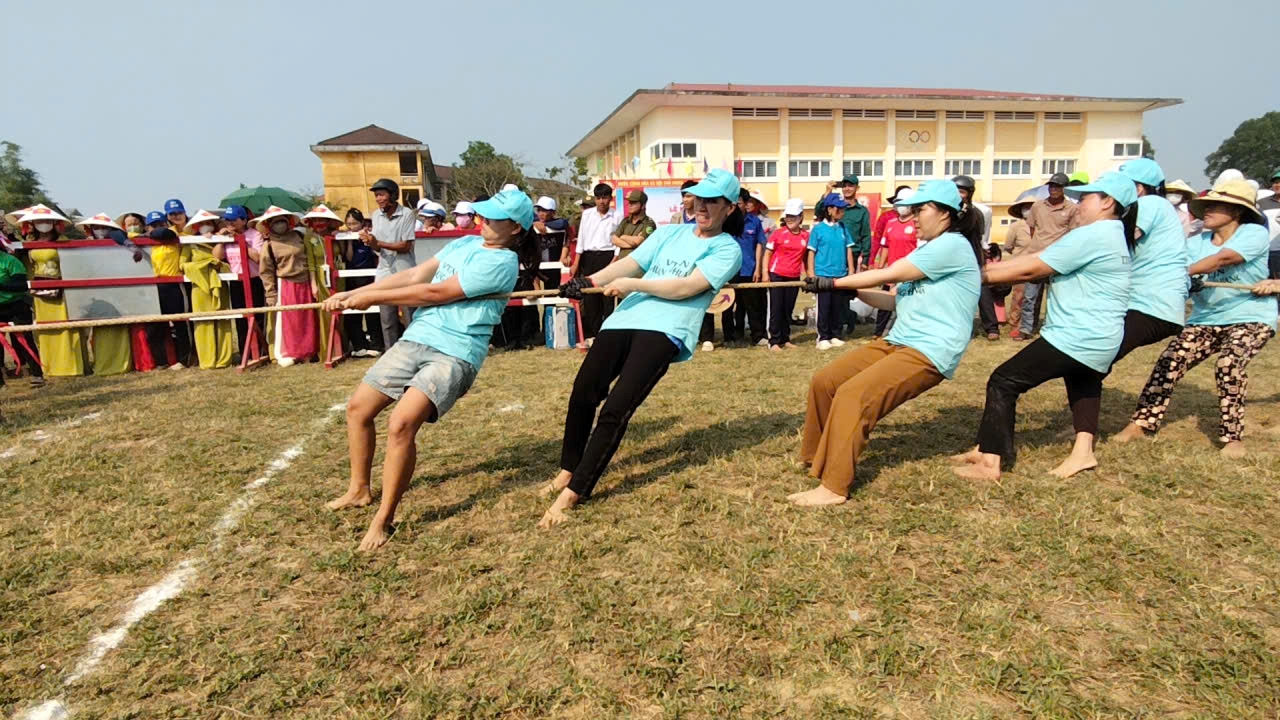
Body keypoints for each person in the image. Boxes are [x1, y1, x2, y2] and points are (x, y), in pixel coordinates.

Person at [323, 190, 533, 551]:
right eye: (483, 215)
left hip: (455, 352)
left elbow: (436, 293)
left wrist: (372, 299)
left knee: (401, 424)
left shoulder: (503, 263)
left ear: (515, 227)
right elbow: (416, 275)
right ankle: (359, 490)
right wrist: (357, 293)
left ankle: (383, 519)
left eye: (494, 218)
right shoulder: (464, 244)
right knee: (359, 408)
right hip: (417, 338)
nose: (483, 222)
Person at [540, 169, 745, 527]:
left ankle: (576, 491)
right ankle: (567, 470)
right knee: (583, 392)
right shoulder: (669, 233)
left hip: (666, 330)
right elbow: (630, 263)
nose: (703, 206)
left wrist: (635, 285)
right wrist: (587, 281)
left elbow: (687, 288)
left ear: (729, 208)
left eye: (713, 201)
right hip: (624, 321)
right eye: (699, 198)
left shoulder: (727, 249)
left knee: (616, 409)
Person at [788, 180, 982, 506]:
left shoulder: (953, 246)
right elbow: (892, 301)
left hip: (929, 351)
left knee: (854, 395)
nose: (913, 216)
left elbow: (887, 272)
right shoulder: (929, 249)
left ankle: (833, 487)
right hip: (898, 340)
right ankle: (815, 457)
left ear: (946, 212)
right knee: (826, 382)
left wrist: (833, 281)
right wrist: (845, 290)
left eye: (921, 209)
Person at [953, 172, 1137, 481]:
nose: (1078, 205)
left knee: (1003, 381)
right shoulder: (1114, 235)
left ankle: (990, 462)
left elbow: (1032, 268)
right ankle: (1083, 453)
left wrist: (970, 276)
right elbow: (1039, 257)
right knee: (1084, 383)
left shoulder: (1092, 235)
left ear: (1108, 203)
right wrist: (982, 269)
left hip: (1076, 335)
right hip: (1103, 336)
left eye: (1087, 198)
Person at [1112, 178, 1276, 456]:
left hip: (1251, 316)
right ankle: (1142, 423)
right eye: (1207, 204)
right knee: (1170, 360)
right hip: (1206, 318)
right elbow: (1177, 270)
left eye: (1216, 205)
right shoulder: (1194, 242)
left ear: (1236, 212)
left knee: (1229, 363)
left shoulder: (1253, 233)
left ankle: (1233, 438)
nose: (1207, 210)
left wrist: (1181, 273)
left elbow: (1222, 260)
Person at [1107, 159, 1191, 366]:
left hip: (1151, 303)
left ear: (1138, 187)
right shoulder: (1155, 207)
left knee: (1096, 356)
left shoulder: (1150, 203)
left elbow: (1120, 241)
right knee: (1093, 360)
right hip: (1146, 301)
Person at [20, 206, 85, 377]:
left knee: (66, 325)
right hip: (40, 291)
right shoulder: (28, 244)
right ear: (32, 223)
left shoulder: (63, 241)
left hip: (62, 289)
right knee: (46, 327)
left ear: (55, 223)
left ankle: (70, 365)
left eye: (47, 221)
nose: (43, 224)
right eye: (39, 221)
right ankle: (51, 366)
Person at [1016, 173, 1081, 339]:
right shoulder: (1038, 206)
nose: (1053, 189)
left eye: (1057, 186)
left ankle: (1052, 327)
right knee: (1030, 296)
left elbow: (1074, 233)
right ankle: (1026, 329)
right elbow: (1032, 228)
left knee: (1055, 297)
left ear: (1064, 189)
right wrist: (1039, 245)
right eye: (1051, 186)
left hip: (1058, 259)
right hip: (1037, 256)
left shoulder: (1071, 209)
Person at [257, 206, 319, 366]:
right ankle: (292, 352)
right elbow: (266, 271)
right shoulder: (269, 245)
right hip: (286, 284)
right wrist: (270, 294)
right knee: (290, 320)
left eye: (282, 221)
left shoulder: (299, 236)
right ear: (270, 225)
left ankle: (309, 351)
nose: (280, 225)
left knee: (307, 318)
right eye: (276, 222)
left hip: (305, 281)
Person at [75, 214, 135, 375]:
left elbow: (120, 239)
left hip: (118, 290)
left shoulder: (118, 241)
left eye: (104, 227)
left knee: (118, 327)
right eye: (96, 227)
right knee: (100, 330)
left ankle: (121, 363)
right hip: (96, 293)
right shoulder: (84, 247)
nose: (100, 231)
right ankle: (102, 363)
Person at [366, 178, 417, 349]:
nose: (378, 199)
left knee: (410, 314)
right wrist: (370, 241)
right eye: (377, 195)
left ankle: (412, 351)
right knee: (387, 317)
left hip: (404, 269)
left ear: (393, 195)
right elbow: (377, 247)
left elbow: (405, 246)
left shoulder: (407, 214)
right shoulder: (375, 215)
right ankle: (390, 353)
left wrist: (378, 242)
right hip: (384, 270)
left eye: (382, 195)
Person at [183, 209, 234, 369]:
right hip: (200, 288)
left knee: (222, 320)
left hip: (219, 286)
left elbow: (219, 258)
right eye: (202, 224)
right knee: (203, 321)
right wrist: (204, 266)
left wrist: (220, 240)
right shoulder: (190, 242)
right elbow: (183, 264)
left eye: (209, 223)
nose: (206, 226)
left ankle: (224, 359)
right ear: (196, 226)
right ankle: (207, 359)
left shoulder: (221, 239)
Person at [953, 175, 1000, 340]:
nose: (959, 195)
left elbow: (981, 236)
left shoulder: (971, 212)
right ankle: (962, 328)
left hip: (972, 256)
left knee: (982, 291)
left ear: (969, 193)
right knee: (958, 295)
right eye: (955, 191)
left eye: (962, 192)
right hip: (954, 257)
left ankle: (991, 327)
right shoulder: (949, 211)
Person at [216, 205, 267, 356]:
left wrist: (241, 241)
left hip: (254, 280)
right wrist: (221, 239)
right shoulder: (226, 236)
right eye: (227, 220)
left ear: (244, 220)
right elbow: (217, 257)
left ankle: (260, 350)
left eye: (233, 220)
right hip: (236, 281)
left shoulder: (255, 235)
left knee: (258, 316)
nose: (229, 223)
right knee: (240, 317)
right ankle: (245, 351)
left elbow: (258, 258)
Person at [720, 188, 767, 346]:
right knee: (727, 305)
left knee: (752, 305)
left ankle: (758, 336)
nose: (734, 206)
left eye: (738, 202)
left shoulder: (754, 222)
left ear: (746, 204)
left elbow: (760, 245)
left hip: (749, 269)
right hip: (729, 271)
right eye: (732, 203)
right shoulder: (724, 222)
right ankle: (729, 337)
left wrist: (758, 268)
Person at [575, 183, 621, 344]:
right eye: (599, 198)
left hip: (608, 256)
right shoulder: (587, 214)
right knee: (590, 296)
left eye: (605, 198)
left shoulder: (617, 216)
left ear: (610, 199)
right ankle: (593, 334)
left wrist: (613, 261)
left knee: (607, 296)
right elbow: (581, 239)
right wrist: (576, 262)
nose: (602, 201)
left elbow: (618, 243)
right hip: (589, 257)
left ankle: (607, 333)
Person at [808, 193, 855, 350]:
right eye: (839, 209)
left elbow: (849, 249)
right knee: (824, 307)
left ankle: (835, 334)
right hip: (822, 275)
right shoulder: (818, 229)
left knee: (838, 307)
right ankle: (823, 336)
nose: (842, 212)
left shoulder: (843, 228)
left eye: (843, 209)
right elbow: (811, 252)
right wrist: (811, 274)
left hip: (840, 274)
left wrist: (852, 271)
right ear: (829, 209)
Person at [146, 210, 192, 369]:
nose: (157, 227)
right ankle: (161, 361)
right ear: (147, 226)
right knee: (154, 325)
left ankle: (185, 359)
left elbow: (163, 233)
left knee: (180, 323)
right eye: (153, 225)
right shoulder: (146, 242)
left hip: (174, 285)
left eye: (160, 223)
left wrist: (152, 233)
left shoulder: (173, 235)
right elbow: (119, 236)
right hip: (153, 286)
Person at [870, 188, 919, 337]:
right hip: (891, 272)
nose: (901, 206)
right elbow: (885, 246)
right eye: (898, 203)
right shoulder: (890, 223)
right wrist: (880, 268)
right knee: (885, 304)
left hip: (909, 273)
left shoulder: (916, 224)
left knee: (907, 304)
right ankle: (879, 333)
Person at [763, 198, 809, 350]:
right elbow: (768, 254)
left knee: (788, 308)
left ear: (801, 217)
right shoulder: (778, 234)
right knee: (776, 308)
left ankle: (785, 338)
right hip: (777, 275)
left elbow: (806, 258)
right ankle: (774, 341)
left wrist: (809, 275)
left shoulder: (805, 236)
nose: (790, 220)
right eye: (788, 216)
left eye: (793, 216)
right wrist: (765, 273)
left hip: (794, 276)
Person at [339, 208, 383, 358]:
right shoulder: (344, 238)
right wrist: (350, 240)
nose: (352, 227)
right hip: (352, 277)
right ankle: (359, 345)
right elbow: (349, 258)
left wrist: (366, 237)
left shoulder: (369, 236)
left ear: (361, 223)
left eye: (355, 223)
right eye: (349, 224)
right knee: (353, 312)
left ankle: (377, 344)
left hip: (369, 277)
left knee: (373, 311)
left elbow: (376, 252)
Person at [300, 205, 342, 360]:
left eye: (322, 219)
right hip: (320, 276)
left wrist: (340, 237)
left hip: (338, 275)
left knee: (341, 309)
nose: (319, 223)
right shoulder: (309, 237)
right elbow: (310, 262)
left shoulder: (335, 236)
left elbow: (343, 254)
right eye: (316, 219)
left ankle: (342, 347)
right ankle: (327, 350)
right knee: (325, 312)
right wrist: (313, 284)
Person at [0, 239, 45, 387]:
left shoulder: (10, 261)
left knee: (25, 338)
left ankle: (37, 374)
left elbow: (20, 285)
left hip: (16, 304)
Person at [1003, 190, 1037, 339]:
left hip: (1037, 266)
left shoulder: (1040, 226)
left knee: (1033, 298)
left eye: (1030, 207)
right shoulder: (1016, 226)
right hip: (1020, 266)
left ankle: (1029, 325)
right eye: (1025, 207)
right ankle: (1015, 324)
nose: (1027, 210)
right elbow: (1008, 246)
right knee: (1019, 297)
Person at [612, 189, 657, 258]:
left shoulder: (649, 223)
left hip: (638, 263)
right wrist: (632, 244)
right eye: (629, 202)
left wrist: (623, 237)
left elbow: (639, 241)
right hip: (622, 262)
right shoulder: (625, 221)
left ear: (643, 206)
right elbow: (614, 240)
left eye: (633, 203)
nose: (630, 205)